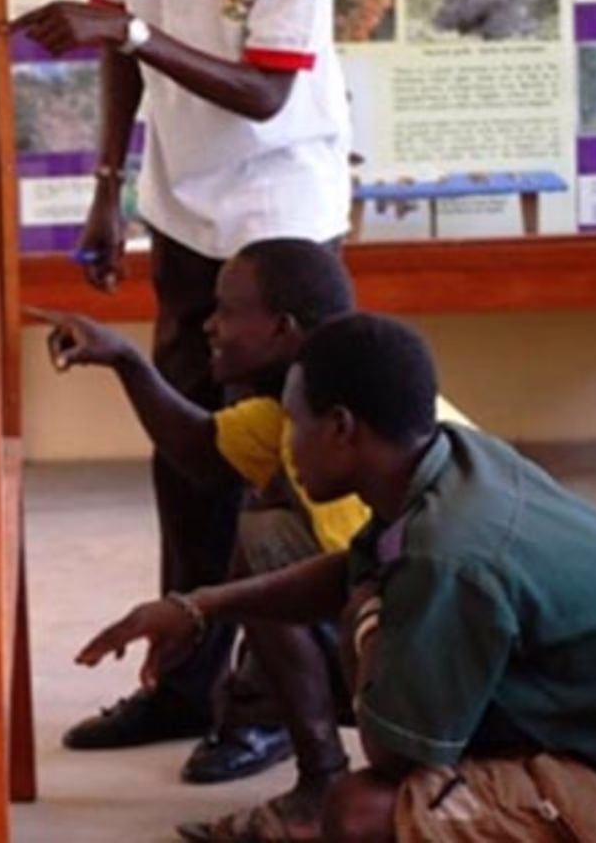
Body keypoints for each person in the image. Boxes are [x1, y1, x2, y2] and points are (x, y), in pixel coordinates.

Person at [10, 0, 353, 774]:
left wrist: (136, 29)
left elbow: (262, 94)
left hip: (280, 205)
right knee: (185, 450)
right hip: (183, 204)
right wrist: (108, 185)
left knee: (283, 472)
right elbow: (114, 36)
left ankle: (264, 706)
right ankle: (185, 684)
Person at [77, 314, 596, 841]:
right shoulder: (454, 459)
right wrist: (199, 606)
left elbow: (396, 756)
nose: (288, 444)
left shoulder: (446, 556)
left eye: (295, 423)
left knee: (360, 811)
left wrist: (367, 623)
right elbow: (354, 566)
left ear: (342, 427)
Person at [34, 237, 365, 834]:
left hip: (423, 636)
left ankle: (326, 782)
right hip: (384, 619)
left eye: (227, 311)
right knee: (265, 536)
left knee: (267, 547)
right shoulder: (291, 409)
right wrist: (127, 361)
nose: (210, 326)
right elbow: (200, 449)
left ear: (282, 328)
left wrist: (205, 611)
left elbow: (383, 579)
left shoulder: (347, 421)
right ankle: (294, 744)